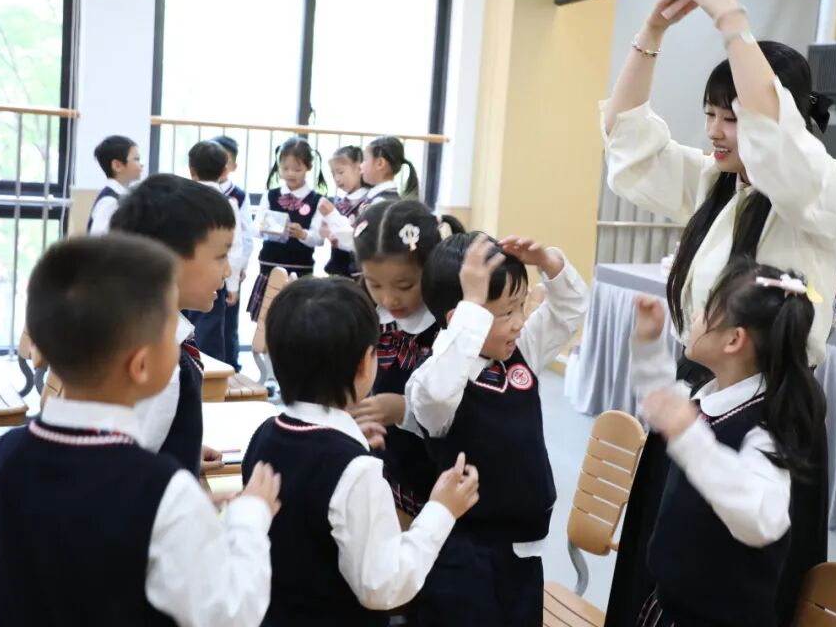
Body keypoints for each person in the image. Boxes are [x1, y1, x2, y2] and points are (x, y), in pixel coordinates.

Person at [600, 0, 836, 625]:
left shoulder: (831, 189)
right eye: (711, 115)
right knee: (667, 565)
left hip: (770, 405)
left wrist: (731, 20)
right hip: (702, 396)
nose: (715, 132)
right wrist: (652, 30)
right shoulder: (717, 184)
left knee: (735, 585)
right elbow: (629, 139)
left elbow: (779, 145)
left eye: (732, 117)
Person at [0, 234, 281, 626]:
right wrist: (250, 518)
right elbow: (230, 614)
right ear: (141, 365)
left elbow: (83, 531)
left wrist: (186, 516)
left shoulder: (11, 451)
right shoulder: (160, 487)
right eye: (171, 329)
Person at [242, 276, 480, 626]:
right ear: (365, 365)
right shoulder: (356, 470)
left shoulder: (264, 433)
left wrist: (351, 441)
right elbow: (382, 586)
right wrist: (441, 510)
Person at [628, 258, 826, 627]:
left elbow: (760, 518)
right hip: (672, 607)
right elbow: (663, 406)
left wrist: (690, 438)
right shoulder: (710, 395)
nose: (695, 316)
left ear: (734, 340)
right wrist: (649, 345)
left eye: (706, 310)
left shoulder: (765, 429)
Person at [408, 233, 589, 627]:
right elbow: (437, 392)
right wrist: (472, 307)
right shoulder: (434, 382)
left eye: (521, 306)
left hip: (523, 552)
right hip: (463, 558)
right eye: (506, 313)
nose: (520, 322)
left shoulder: (520, 354)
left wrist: (549, 263)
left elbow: (570, 309)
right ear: (461, 319)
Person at [110, 173, 235, 477]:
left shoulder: (133, 327)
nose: (228, 270)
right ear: (170, 262)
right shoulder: (160, 361)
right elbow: (127, 467)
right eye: (221, 256)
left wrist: (182, 450)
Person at [350, 200, 465, 519]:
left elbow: (463, 412)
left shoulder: (451, 328)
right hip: (387, 467)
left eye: (404, 286)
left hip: (437, 480)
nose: (388, 298)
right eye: (374, 284)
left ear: (432, 269)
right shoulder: (373, 317)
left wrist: (405, 409)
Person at [247, 137, 327, 320]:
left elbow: (319, 239)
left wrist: (303, 234)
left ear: (308, 167)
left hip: (300, 267)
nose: (290, 173)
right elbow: (254, 229)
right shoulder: (271, 195)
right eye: (285, 168)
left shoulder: (317, 200)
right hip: (269, 264)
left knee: (297, 318)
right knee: (266, 318)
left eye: (297, 169)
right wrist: (267, 228)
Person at [185, 140, 246, 364]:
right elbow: (235, 247)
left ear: (191, 170)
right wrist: (233, 285)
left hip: (184, 275)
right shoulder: (228, 203)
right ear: (223, 171)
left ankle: (182, 371)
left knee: (181, 329)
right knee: (209, 334)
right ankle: (210, 377)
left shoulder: (182, 200)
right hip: (214, 278)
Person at [210, 135, 256, 371]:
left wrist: (240, 269)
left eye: (224, 161)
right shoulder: (199, 191)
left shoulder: (237, 196)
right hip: (209, 270)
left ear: (233, 166)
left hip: (231, 270)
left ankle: (231, 365)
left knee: (228, 324)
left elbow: (244, 237)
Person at [320, 145, 369, 277]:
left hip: (357, 270)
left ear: (359, 168)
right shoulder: (339, 202)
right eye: (333, 174)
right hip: (337, 267)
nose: (336, 178)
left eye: (340, 172)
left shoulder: (367, 201)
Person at [88, 135, 142, 235]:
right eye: (136, 159)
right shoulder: (110, 201)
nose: (141, 164)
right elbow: (97, 238)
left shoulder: (124, 196)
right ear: (117, 165)